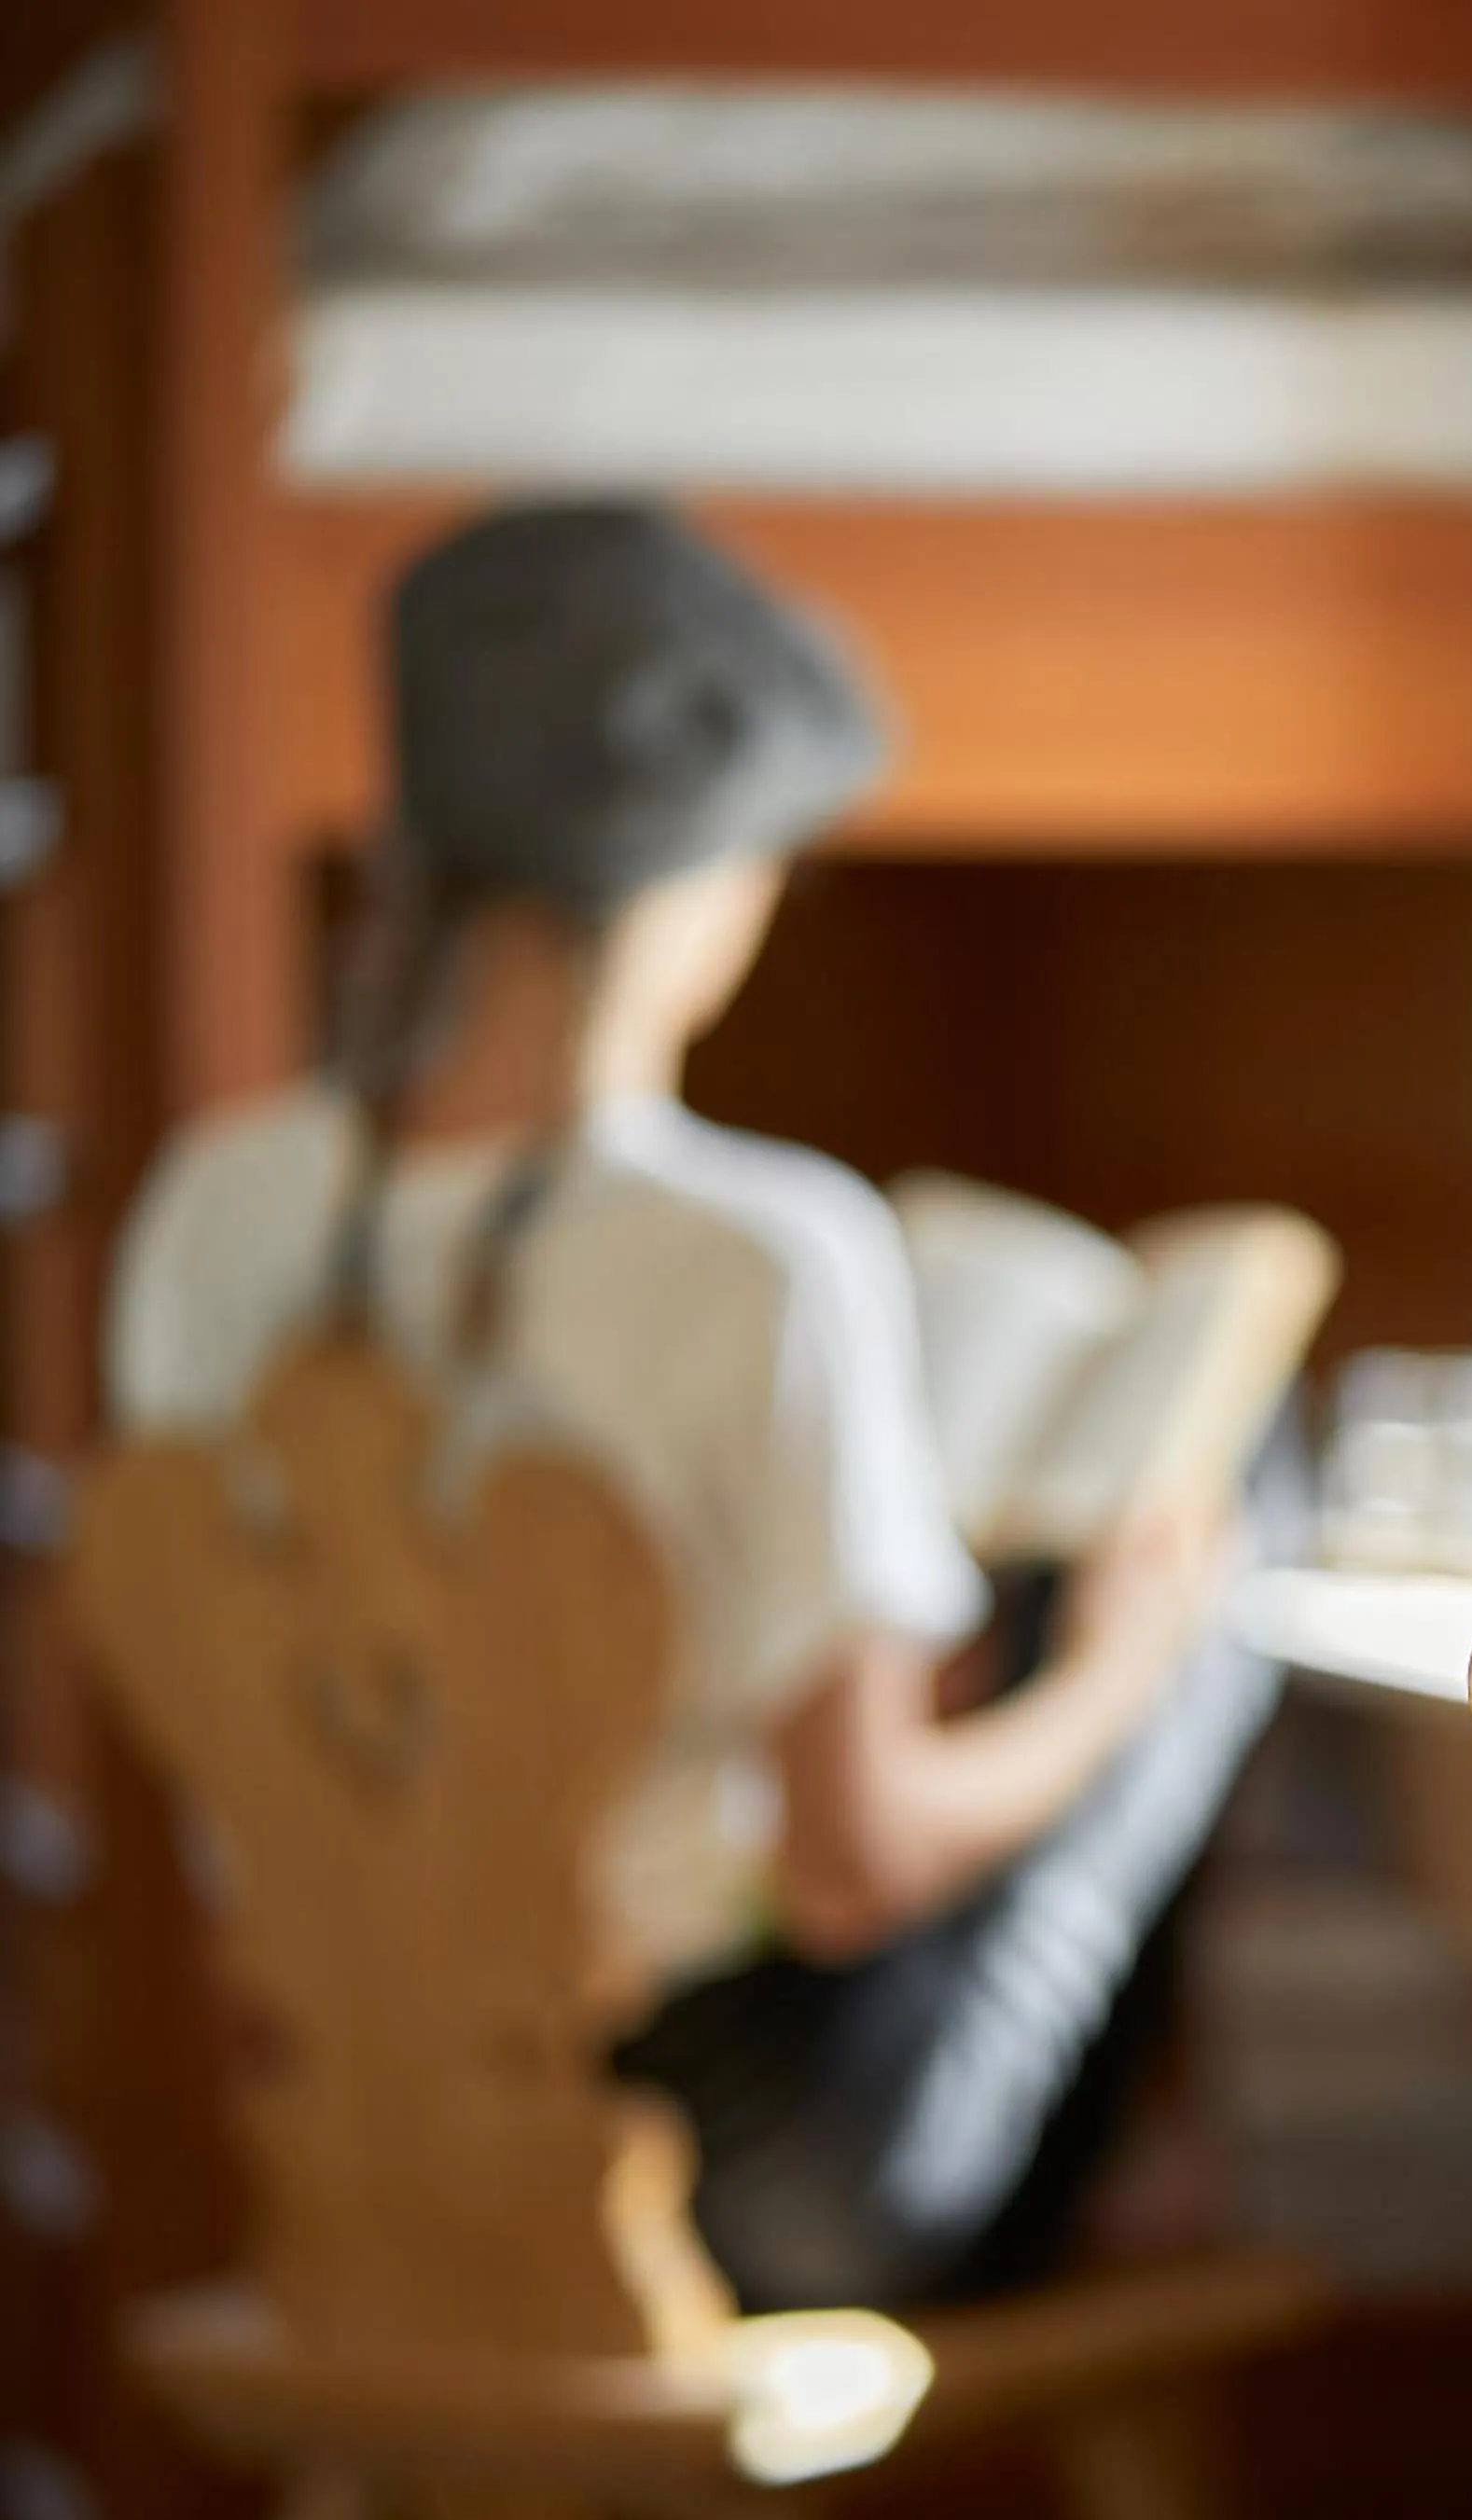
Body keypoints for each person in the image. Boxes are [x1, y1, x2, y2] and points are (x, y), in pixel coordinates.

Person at [109, 501, 1285, 2312]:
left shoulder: (213, 1203)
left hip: (356, 2164)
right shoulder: (762, 1255)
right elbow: (852, 1869)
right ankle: (1163, 2187)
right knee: (1216, 1523)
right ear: (692, 883)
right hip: (719, 2205)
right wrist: (1129, 1663)